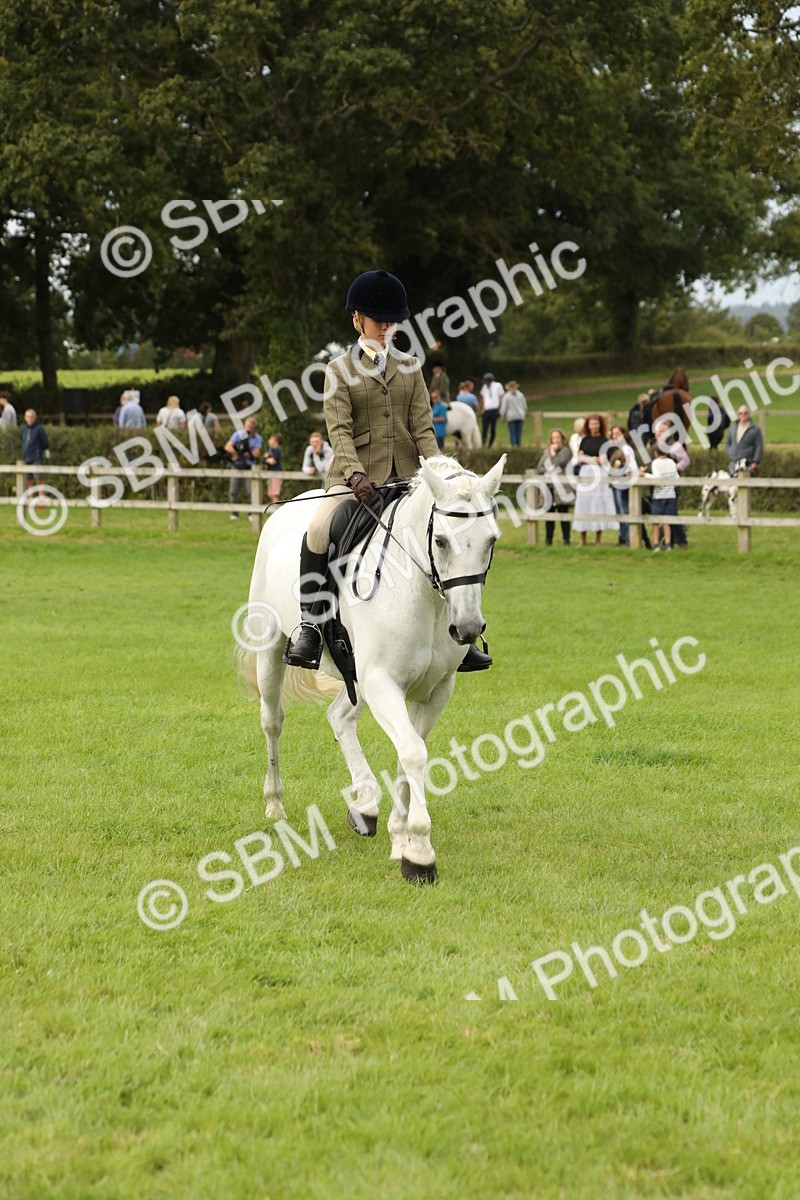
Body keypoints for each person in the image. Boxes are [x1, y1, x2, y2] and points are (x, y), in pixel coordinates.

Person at [284, 267, 490, 673]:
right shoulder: (338, 370)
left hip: (410, 478)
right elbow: (339, 430)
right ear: (358, 319)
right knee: (319, 529)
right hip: (356, 479)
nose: (386, 328)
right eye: (380, 321)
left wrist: (440, 474)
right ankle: (310, 625)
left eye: (392, 322)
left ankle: (463, 636)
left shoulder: (410, 366)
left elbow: (423, 428)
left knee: (455, 533)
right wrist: (356, 475)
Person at [572, 413, 619, 547]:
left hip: (599, 474)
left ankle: (598, 539)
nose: (594, 426)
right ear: (588, 425)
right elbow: (580, 457)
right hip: (586, 473)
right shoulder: (585, 440)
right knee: (584, 504)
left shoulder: (604, 441)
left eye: (596, 424)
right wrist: (586, 458)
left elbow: (606, 459)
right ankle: (583, 538)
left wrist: (595, 459)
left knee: (598, 504)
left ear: (600, 425)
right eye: (592, 424)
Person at [654, 420, 689, 548]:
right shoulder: (655, 446)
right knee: (666, 513)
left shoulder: (674, 446)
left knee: (671, 513)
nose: (659, 433)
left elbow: (685, 460)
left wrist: (673, 469)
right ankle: (672, 539)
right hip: (658, 486)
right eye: (658, 431)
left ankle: (681, 540)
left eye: (662, 431)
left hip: (672, 484)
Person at [536, 428, 573, 545]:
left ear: (562, 439)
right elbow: (539, 468)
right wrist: (549, 466)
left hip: (562, 487)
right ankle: (548, 540)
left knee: (563, 514)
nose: (556, 440)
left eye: (558, 437)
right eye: (553, 438)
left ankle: (566, 540)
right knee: (549, 514)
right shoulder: (546, 452)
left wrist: (552, 455)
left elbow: (559, 464)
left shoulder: (566, 451)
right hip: (549, 487)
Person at [641, 444, 679, 552]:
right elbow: (677, 478)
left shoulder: (656, 463)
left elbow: (657, 479)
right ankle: (667, 545)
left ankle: (656, 545)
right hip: (671, 495)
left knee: (656, 521)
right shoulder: (672, 462)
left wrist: (645, 475)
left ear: (655, 452)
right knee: (667, 521)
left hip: (659, 496)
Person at [224, 415, 262, 519]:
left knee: (251, 491)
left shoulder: (257, 438)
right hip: (237, 465)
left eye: (251, 427)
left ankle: (251, 513)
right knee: (233, 490)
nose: (248, 429)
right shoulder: (238, 435)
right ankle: (234, 513)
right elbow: (228, 446)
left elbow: (255, 453)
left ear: (254, 428)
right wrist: (239, 453)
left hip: (250, 466)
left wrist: (241, 453)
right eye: (247, 426)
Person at [608, 425, 637, 546]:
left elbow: (631, 465)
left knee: (623, 511)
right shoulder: (614, 449)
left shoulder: (626, 448)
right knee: (619, 512)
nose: (615, 436)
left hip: (622, 484)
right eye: (613, 434)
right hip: (616, 483)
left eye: (618, 433)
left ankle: (627, 538)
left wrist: (627, 472)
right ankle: (622, 536)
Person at [725, 405, 763, 475]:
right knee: (732, 485)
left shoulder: (755, 429)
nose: (743, 415)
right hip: (733, 463)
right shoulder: (733, 428)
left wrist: (755, 462)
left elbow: (759, 446)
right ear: (738, 415)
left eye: (745, 413)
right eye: (741, 413)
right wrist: (731, 453)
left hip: (747, 464)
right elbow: (727, 443)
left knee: (745, 485)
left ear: (749, 414)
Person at [20, 409, 49, 501]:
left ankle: (41, 498)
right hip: (26, 457)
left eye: (32, 417)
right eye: (28, 417)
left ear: (35, 418)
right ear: (25, 418)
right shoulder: (24, 429)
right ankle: (31, 498)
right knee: (28, 479)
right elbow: (22, 439)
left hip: (36, 457)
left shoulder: (39, 428)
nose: (30, 419)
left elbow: (45, 442)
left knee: (39, 478)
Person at [500, 380, 527, 447]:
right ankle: (518, 445)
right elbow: (525, 406)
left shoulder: (507, 396)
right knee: (518, 432)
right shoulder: (521, 395)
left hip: (511, 417)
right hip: (520, 416)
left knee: (513, 432)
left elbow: (504, 408)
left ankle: (513, 446)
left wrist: (503, 417)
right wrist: (524, 413)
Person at [479, 373, 503, 448]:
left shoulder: (498, 385)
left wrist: (500, 408)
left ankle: (490, 444)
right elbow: (483, 397)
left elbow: (501, 396)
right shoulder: (484, 387)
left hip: (494, 409)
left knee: (493, 428)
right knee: (484, 428)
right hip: (486, 410)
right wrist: (482, 408)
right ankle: (483, 443)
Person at [265, 433, 283, 503]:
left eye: (271, 439)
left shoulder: (276, 450)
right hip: (271, 473)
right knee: (270, 493)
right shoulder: (270, 450)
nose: (269, 441)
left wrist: (267, 458)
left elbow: (273, 461)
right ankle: (274, 508)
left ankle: (276, 509)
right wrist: (267, 459)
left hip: (276, 473)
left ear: (276, 442)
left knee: (274, 493)